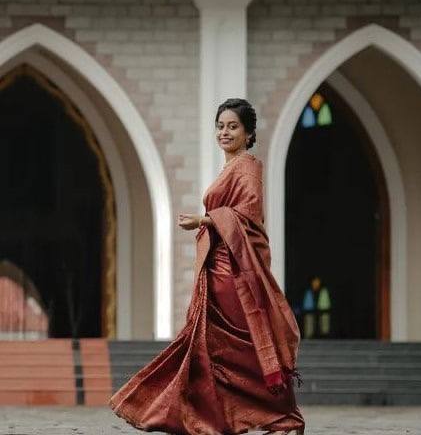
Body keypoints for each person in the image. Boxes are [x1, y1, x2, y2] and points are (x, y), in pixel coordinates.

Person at [109, 98, 305, 435]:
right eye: (220, 126)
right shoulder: (229, 168)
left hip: (232, 270)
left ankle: (280, 415)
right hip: (215, 267)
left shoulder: (248, 167)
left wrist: (205, 219)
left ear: (248, 133)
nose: (224, 132)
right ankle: (212, 417)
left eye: (232, 126)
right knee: (213, 346)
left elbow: (249, 216)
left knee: (235, 345)